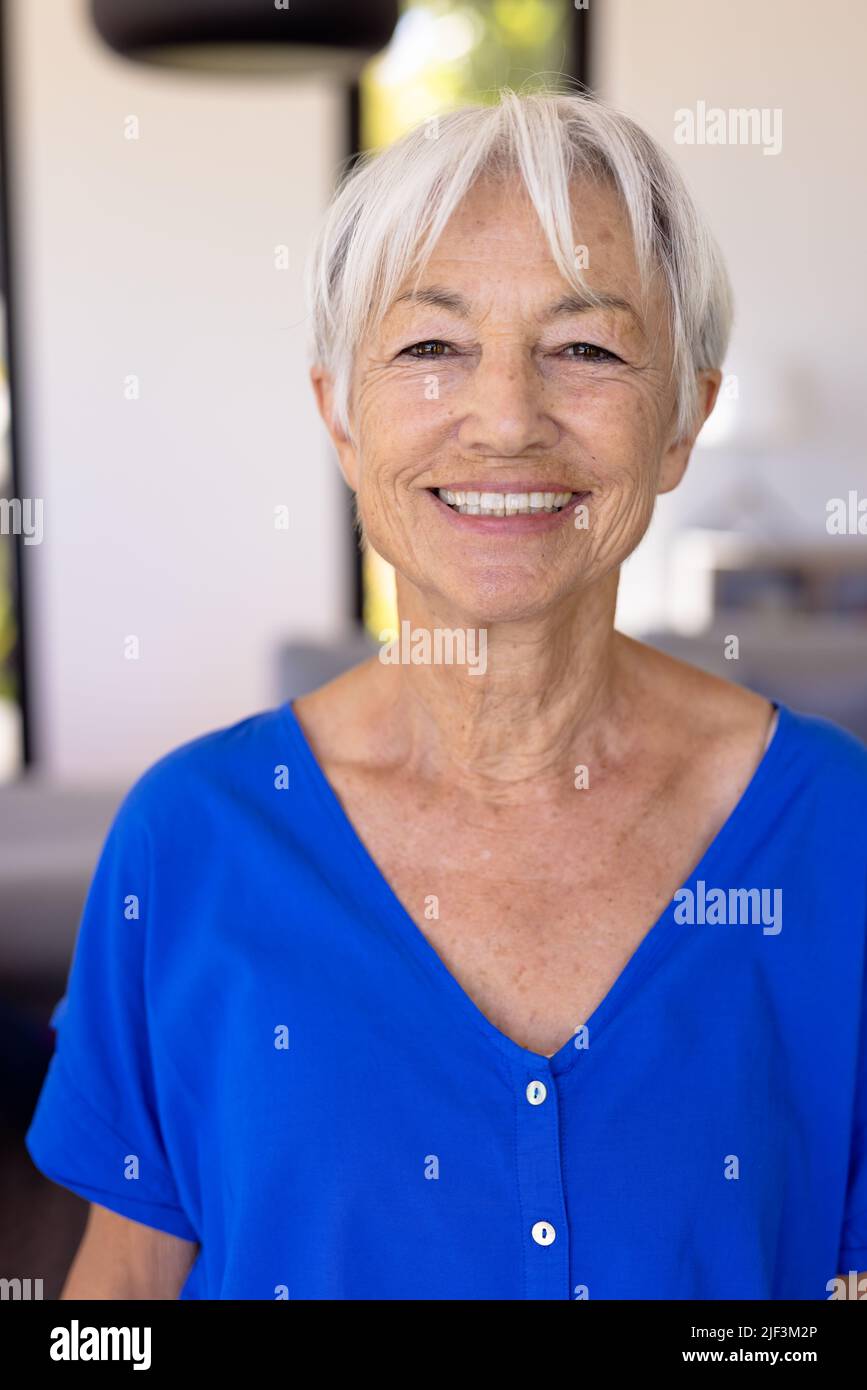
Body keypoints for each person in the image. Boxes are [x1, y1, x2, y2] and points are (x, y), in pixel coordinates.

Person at [25, 88, 867, 1300]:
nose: (507, 419)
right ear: (340, 417)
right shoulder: (192, 835)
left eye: (586, 348)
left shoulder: (832, 828)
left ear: (683, 419)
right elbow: (122, 1294)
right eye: (431, 348)